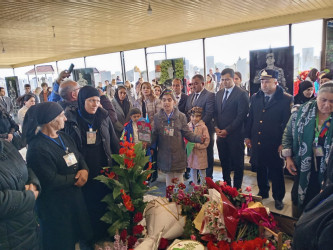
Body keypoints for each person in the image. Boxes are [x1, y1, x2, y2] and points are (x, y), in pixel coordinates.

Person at [25, 102, 92, 250]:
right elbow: (49, 180)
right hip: (56, 208)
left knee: (77, 239)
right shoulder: (37, 148)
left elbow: (78, 156)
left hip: (73, 200)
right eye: (62, 115)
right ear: (50, 120)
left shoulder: (63, 136)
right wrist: (76, 178)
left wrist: (85, 170)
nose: (66, 119)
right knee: (62, 242)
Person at [64, 86, 120, 245]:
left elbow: (113, 141)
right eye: (91, 101)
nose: (95, 104)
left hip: (105, 168)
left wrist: (119, 163)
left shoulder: (103, 116)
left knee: (106, 201)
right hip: (84, 171)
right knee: (89, 205)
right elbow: (70, 147)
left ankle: (106, 233)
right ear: (82, 101)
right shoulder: (72, 120)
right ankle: (91, 237)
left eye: (97, 100)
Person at [282, 82, 333, 217]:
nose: (327, 105)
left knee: (321, 209)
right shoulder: (301, 112)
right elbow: (287, 135)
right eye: (323, 100)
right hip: (303, 167)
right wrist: (288, 158)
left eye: (332, 101)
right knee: (300, 202)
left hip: (328, 173)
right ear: (317, 97)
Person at [245, 69, 293, 210]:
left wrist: (283, 144)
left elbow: (287, 124)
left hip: (275, 142)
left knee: (276, 171)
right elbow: (251, 118)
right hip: (258, 139)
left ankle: (278, 197)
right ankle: (263, 191)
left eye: (267, 81)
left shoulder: (285, 99)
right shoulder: (255, 97)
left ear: (276, 82)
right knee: (260, 168)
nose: (264, 84)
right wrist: (247, 136)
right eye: (262, 81)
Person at [152, 89, 204, 186]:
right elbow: (154, 134)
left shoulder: (181, 116)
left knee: (179, 183)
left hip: (178, 155)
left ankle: (179, 199)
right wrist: (147, 142)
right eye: (163, 100)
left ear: (174, 102)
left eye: (169, 100)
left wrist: (198, 138)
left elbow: (187, 133)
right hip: (164, 155)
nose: (166, 102)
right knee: (169, 182)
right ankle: (170, 199)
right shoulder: (157, 117)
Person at [0, 139, 40, 250]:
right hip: (9, 240)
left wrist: (34, 184)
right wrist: (30, 196)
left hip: (29, 230)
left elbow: (26, 168)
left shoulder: (6, 145)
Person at [215, 68, 249, 189]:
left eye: (227, 79)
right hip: (220, 136)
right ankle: (226, 187)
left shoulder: (241, 94)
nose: (224, 82)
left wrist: (227, 130)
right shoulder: (218, 94)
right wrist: (216, 128)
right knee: (224, 163)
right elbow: (216, 113)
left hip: (235, 136)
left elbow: (241, 116)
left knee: (238, 164)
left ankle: (237, 189)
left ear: (233, 78)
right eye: (222, 80)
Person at [185, 74, 215, 178]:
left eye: (196, 83)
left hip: (204, 129)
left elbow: (209, 113)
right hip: (191, 132)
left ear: (202, 84)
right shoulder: (190, 96)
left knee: (206, 154)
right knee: (194, 154)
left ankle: (208, 178)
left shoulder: (209, 95)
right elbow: (187, 112)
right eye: (192, 84)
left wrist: (198, 125)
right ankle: (195, 179)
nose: (193, 86)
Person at [187, 107, 210, 185]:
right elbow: (186, 137)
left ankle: (203, 186)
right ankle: (194, 185)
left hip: (200, 153)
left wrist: (198, 146)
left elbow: (207, 140)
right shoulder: (188, 126)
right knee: (193, 169)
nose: (194, 118)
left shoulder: (203, 127)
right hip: (191, 152)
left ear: (200, 117)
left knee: (201, 170)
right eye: (193, 116)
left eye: (197, 116)